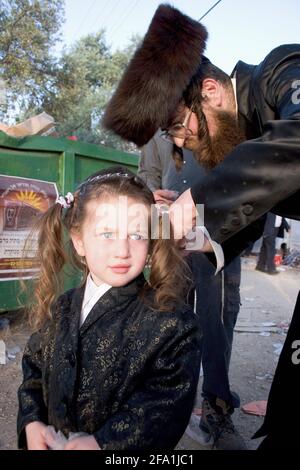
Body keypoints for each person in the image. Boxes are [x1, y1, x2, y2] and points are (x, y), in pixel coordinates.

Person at [102, 4, 300, 449]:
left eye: (178, 126)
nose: (181, 142)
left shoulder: (280, 69)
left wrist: (201, 198)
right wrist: (199, 242)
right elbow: (254, 208)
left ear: (210, 90)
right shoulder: (243, 137)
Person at [17, 166, 201, 450]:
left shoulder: (173, 324)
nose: (122, 251)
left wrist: (103, 444)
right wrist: (32, 421)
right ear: (79, 241)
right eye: (107, 234)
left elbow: (165, 406)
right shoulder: (63, 306)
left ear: (152, 241)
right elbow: (34, 368)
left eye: (137, 235)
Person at [138, 132, 244, 450]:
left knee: (218, 317)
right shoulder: (157, 128)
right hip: (170, 232)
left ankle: (215, 407)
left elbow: (242, 171)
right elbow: (148, 175)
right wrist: (150, 197)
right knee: (169, 318)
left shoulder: (214, 114)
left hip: (216, 229)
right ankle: (168, 402)